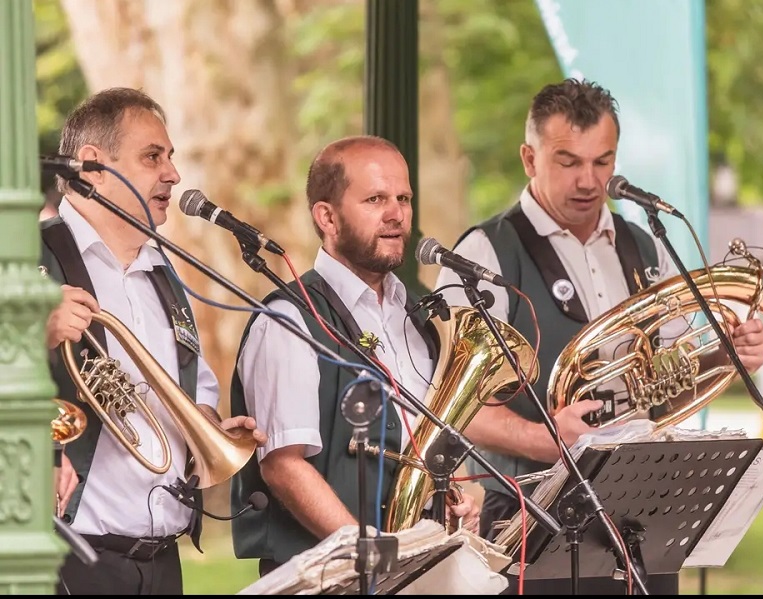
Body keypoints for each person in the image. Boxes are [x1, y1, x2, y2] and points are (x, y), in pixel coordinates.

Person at [434, 78, 763, 594]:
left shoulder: (644, 245)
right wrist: (545, 441)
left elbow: (667, 383)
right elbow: (450, 407)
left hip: (645, 507)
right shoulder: (483, 252)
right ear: (529, 158)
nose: (589, 181)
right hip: (533, 514)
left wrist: (727, 358)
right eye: (568, 161)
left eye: (603, 161)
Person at [42, 87, 266, 595]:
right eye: (152, 157)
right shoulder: (27, 256)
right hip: (69, 556)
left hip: (162, 562)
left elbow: (193, 384)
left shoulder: (163, 273)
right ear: (93, 165)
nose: (173, 174)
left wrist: (205, 428)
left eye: (171, 158)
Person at [230, 135, 479, 578]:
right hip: (327, 578)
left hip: (419, 567)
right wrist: (379, 559)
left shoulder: (416, 317)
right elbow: (284, 466)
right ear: (326, 216)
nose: (396, 214)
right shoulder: (288, 318)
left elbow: (421, 439)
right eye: (375, 199)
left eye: (404, 198)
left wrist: (458, 489)